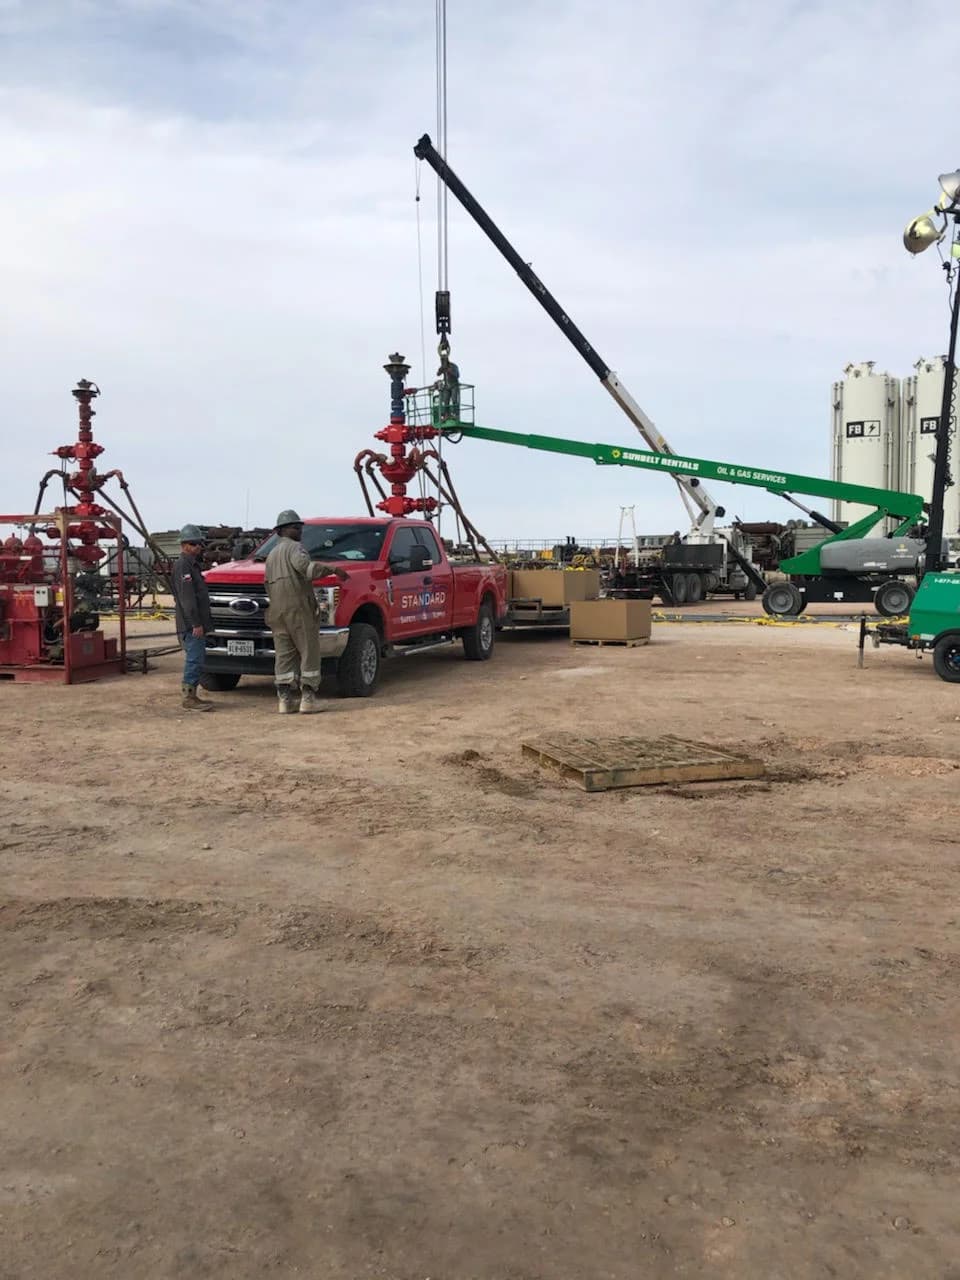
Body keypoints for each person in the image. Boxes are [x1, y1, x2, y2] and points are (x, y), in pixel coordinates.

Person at [264, 510, 349, 715]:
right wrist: (333, 570)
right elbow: (306, 569)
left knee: (284, 656)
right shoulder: (296, 548)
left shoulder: (271, 555)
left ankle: (284, 700)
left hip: (277, 611)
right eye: (297, 528)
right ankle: (308, 699)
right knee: (309, 652)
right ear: (284, 531)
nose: (301, 531)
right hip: (299, 609)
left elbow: (266, 584)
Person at [171, 524, 214, 712]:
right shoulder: (183, 566)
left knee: (197, 658)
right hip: (191, 624)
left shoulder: (191, 565)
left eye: (199, 543)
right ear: (184, 545)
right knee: (194, 659)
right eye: (194, 543)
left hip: (195, 623)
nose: (198, 547)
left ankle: (192, 695)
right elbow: (187, 599)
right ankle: (188, 697)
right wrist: (196, 623)